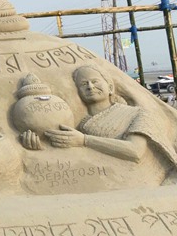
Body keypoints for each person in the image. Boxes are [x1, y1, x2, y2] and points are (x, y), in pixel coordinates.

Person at [31, 65, 177, 179]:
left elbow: (135, 151)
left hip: (139, 180)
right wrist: (35, 144)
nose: (90, 86)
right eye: (83, 84)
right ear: (78, 92)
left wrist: (84, 140)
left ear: (110, 87)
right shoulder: (81, 126)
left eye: (95, 81)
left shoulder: (137, 114)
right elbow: (68, 156)